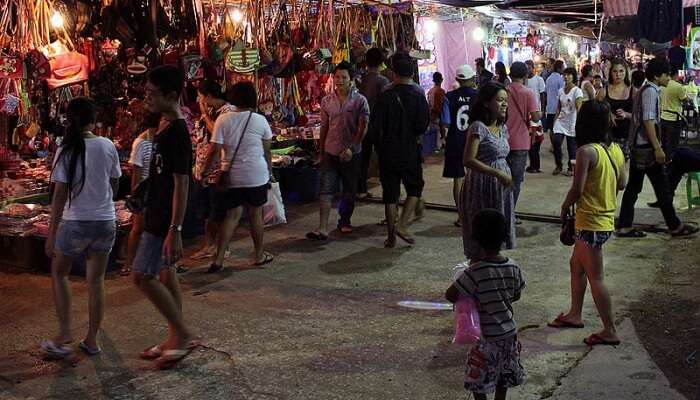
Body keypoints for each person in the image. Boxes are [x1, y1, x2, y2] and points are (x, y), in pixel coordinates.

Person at [41, 97, 121, 359]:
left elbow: (59, 195)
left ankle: (64, 334)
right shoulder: (107, 145)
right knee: (96, 281)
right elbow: (115, 184)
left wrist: (51, 234)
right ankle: (92, 340)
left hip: (76, 222)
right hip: (105, 221)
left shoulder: (66, 149)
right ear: (93, 119)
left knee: (59, 274)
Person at [132, 65, 197, 369]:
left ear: (171, 95)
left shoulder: (178, 132)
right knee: (164, 274)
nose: (147, 98)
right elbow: (160, 174)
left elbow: (182, 182)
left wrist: (176, 228)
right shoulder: (163, 124)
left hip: (165, 218)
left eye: (152, 93)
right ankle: (175, 336)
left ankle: (182, 334)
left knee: (141, 276)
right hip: (156, 209)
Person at [549, 100, 627, 347]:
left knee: (596, 277)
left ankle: (610, 330)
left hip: (591, 221)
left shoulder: (586, 151)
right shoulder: (614, 149)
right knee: (576, 265)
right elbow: (622, 183)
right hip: (604, 220)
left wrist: (563, 206)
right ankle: (575, 314)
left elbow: (577, 189)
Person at [445, 209, 526, 400]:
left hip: (485, 337)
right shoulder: (513, 266)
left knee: (478, 380)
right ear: (505, 235)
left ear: (476, 238)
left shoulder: (474, 272)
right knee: (503, 377)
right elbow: (516, 294)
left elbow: (450, 295)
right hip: (509, 335)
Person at [616, 57, 699, 238]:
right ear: (656, 75)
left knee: (637, 187)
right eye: (666, 74)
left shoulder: (648, 89)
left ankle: (625, 225)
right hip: (645, 148)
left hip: (640, 146)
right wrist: (657, 147)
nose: (669, 78)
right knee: (660, 187)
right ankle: (674, 226)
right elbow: (648, 121)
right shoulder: (651, 92)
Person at [196, 81, 275, 271]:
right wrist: (270, 173)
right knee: (256, 214)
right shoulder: (260, 120)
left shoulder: (224, 120)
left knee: (231, 216)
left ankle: (219, 259)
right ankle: (258, 255)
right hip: (256, 175)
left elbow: (214, 149)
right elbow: (267, 152)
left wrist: (204, 171)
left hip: (232, 176)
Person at [307, 61, 369, 240]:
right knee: (326, 189)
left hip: (351, 154)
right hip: (330, 151)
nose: (339, 81)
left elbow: (362, 128)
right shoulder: (327, 101)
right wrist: (321, 149)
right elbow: (325, 127)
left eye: (343, 77)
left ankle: (344, 221)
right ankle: (323, 227)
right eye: (337, 77)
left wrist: (352, 147)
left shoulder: (360, 101)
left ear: (351, 79)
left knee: (349, 190)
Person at [372, 53, 429, 248]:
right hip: (409, 149)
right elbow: (423, 126)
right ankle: (403, 225)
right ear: (412, 74)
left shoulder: (385, 96)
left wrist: (378, 150)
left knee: (390, 194)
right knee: (415, 188)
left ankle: (390, 237)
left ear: (394, 74)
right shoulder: (418, 95)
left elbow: (376, 126)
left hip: (388, 150)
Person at [459, 81, 515, 259]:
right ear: (486, 102)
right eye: (499, 100)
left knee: (496, 232)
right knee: (483, 233)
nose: (505, 104)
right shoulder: (478, 127)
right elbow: (468, 160)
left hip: (499, 188)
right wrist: (497, 173)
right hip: (481, 186)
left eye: (506, 100)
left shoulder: (502, 128)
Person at [190, 80, 237, 260]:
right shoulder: (211, 111)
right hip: (205, 168)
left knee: (218, 210)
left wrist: (205, 115)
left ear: (208, 96)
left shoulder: (227, 112)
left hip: (217, 170)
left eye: (200, 96)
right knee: (207, 210)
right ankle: (210, 245)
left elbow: (219, 136)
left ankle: (220, 246)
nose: (198, 99)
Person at [122, 112, 160, 276]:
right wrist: (134, 195)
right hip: (144, 191)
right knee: (138, 228)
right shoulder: (141, 142)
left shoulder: (161, 139)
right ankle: (130, 262)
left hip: (159, 189)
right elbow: (136, 173)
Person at [440, 65, 479, 227]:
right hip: (475, 141)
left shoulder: (449, 96)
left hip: (455, 141)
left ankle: (461, 216)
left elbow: (445, 122)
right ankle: (474, 213)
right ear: (471, 79)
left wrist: (443, 138)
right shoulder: (479, 96)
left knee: (458, 179)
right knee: (475, 178)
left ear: (458, 79)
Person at [505, 61, 541, 209]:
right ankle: (510, 212)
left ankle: (501, 209)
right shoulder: (528, 93)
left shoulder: (503, 91)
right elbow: (536, 117)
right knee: (516, 180)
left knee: (502, 178)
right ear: (525, 75)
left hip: (502, 140)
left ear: (510, 75)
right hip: (520, 142)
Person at [357, 48, 390, 198]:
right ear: (381, 62)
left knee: (363, 158)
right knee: (383, 158)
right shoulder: (382, 81)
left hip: (362, 124)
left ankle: (361, 190)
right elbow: (385, 105)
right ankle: (388, 190)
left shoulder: (362, 79)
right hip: (377, 125)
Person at [552, 67, 583, 176]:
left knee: (571, 146)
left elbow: (579, 108)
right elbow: (558, 108)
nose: (566, 77)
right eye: (565, 74)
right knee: (556, 141)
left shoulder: (577, 91)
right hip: (561, 120)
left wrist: (580, 124)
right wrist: (555, 121)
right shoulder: (561, 90)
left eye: (569, 75)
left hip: (572, 121)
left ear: (574, 76)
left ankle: (571, 167)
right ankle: (559, 165)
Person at [601, 59, 633, 158]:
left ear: (626, 72)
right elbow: (594, 111)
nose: (618, 74)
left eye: (621, 71)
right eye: (615, 71)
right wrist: (608, 114)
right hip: (607, 137)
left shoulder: (633, 91)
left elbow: (640, 116)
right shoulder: (604, 91)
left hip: (626, 137)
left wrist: (626, 115)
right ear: (611, 73)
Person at [659, 69, 688, 161]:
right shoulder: (678, 87)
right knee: (673, 144)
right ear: (676, 74)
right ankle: (670, 164)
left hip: (662, 117)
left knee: (663, 143)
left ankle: (663, 163)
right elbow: (685, 100)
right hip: (674, 119)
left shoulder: (661, 86)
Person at [525, 60, 546, 173]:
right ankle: (533, 165)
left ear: (533, 68)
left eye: (528, 67)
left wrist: (542, 110)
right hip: (526, 114)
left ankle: (535, 165)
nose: (527, 70)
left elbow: (542, 95)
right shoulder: (524, 81)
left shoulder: (539, 80)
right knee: (529, 140)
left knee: (535, 139)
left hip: (536, 113)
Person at [545, 60, 565, 149]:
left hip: (549, 107)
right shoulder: (560, 80)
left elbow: (545, 93)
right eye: (563, 67)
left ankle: (553, 146)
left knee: (551, 128)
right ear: (559, 68)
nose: (564, 69)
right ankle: (556, 146)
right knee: (557, 128)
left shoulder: (549, 79)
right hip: (557, 108)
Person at [427, 71, 446, 150]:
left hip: (431, 116)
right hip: (438, 117)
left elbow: (428, 104)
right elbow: (440, 107)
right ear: (441, 80)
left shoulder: (430, 91)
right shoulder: (441, 92)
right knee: (439, 136)